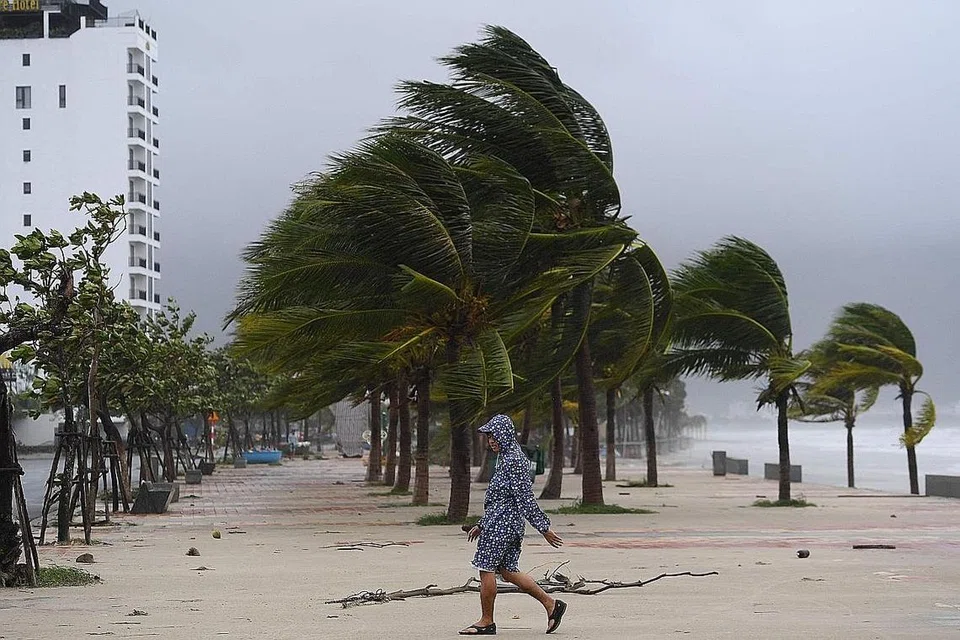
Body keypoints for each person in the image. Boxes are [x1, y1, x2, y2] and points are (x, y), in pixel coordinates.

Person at [460, 414, 567, 636]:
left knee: (485, 568)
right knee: (508, 572)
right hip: (501, 523)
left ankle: (486, 621)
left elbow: (525, 498)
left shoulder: (515, 461)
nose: (491, 440)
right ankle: (551, 605)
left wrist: (543, 527)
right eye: (489, 436)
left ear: (506, 435)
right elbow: (500, 498)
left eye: (494, 435)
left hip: (503, 526)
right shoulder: (506, 457)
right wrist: (482, 523)